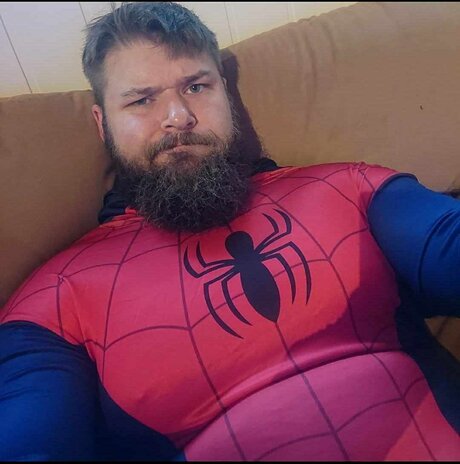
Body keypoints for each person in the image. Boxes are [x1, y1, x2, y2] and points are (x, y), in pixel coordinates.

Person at [0, 2, 459, 461]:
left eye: (196, 86)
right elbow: (30, 439)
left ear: (225, 91)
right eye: (142, 100)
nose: (178, 116)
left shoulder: (347, 188)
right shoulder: (57, 296)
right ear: (103, 124)